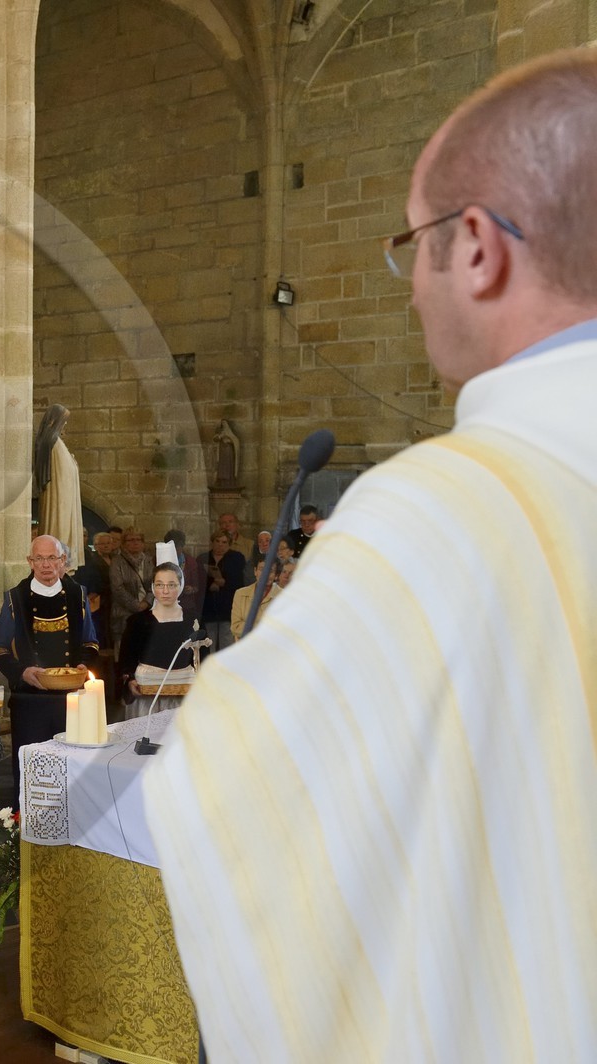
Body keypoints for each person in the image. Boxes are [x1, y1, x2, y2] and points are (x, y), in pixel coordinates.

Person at [147, 50, 597, 1060]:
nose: (409, 292)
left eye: (413, 245)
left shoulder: (441, 510)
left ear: (476, 248)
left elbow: (232, 789)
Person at [0, 535, 100, 791]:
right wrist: (22, 672)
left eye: (52, 558)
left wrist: (83, 666)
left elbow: (91, 642)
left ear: (63, 560)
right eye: (39, 558)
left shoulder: (77, 594)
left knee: (71, 770)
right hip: (30, 702)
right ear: (30, 561)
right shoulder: (15, 598)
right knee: (32, 771)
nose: (46, 565)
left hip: (71, 700)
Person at [117, 562, 202, 717]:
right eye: (159, 585)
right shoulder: (138, 621)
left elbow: (202, 655)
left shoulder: (193, 620)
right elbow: (127, 657)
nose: (165, 591)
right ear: (153, 587)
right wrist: (129, 680)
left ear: (180, 586)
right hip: (147, 691)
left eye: (171, 585)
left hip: (183, 692)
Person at [34, 404, 85, 572]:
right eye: (64, 420)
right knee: (60, 529)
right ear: (54, 421)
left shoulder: (54, 442)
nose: (65, 424)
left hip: (64, 498)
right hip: (59, 499)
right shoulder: (52, 442)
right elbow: (62, 474)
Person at [199, 530, 247, 650]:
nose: (220, 545)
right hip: (209, 609)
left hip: (228, 607)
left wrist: (225, 583)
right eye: (217, 541)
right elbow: (198, 580)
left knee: (227, 643)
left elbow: (240, 582)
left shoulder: (237, 558)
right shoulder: (203, 558)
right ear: (212, 542)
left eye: (224, 542)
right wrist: (210, 585)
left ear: (229, 544)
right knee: (209, 644)